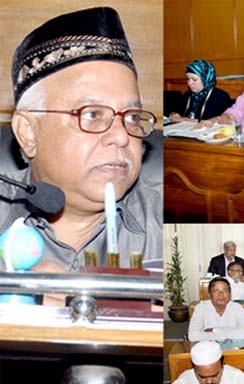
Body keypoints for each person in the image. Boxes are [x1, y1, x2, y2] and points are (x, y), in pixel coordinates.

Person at [2, 7, 161, 272]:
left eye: (132, 117)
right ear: (28, 132)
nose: (122, 137)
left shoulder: (166, 222)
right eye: (92, 114)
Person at [188, 277, 244, 342]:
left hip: (232, 348)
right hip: (209, 349)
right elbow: (193, 336)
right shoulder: (201, 308)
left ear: (230, 294)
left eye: (225, 290)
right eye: (216, 291)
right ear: (209, 294)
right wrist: (230, 334)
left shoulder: (237, 307)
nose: (221, 294)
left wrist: (215, 330)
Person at [168, 60, 233, 122]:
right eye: (188, 79)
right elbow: (177, 111)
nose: (190, 83)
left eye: (194, 79)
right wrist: (173, 114)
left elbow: (212, 120)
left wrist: (184, 120)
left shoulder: (219, 96)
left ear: (206, 79)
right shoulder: (188, 95)